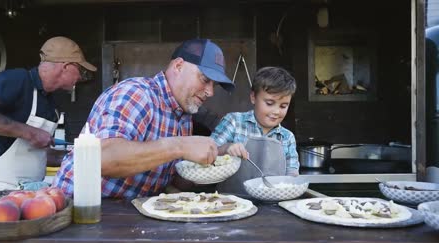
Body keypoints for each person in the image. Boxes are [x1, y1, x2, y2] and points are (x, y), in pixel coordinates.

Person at [53, 39, 235, 201]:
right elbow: (102, 158)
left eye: (214, 85)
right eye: (205, 79)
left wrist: (216, 159)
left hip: (125, 218)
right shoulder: (137, 93)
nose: (210, 92)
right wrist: (180, 146)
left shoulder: (183, 116)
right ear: (178, 66)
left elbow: (173, 179)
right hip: (76, 210)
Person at [0, 36, 97, 192]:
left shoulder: (51, 101)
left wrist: (72, 157)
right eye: (80, 70)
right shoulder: (18, 80)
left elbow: (34, 154)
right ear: (66, 66)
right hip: (0, 193)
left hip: (33, 194)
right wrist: (30, 133)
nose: (80, 77)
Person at [210, 66, 299, 195]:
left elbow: (292, 174)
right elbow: (207, 154)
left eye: (283, 106)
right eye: (269, 103)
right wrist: (226, 148)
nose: (276, 111)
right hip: (231, 202)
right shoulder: (234, 122)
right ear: (253, 97)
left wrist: (292, 183)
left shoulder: (287, 137)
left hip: (272, 206)